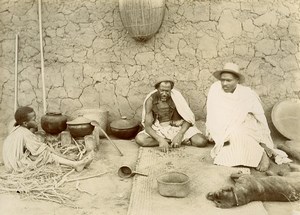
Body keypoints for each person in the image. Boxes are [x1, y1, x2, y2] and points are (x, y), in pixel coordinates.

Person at [205, 62, 291, 171]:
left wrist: (263, 135)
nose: (224, 83)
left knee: (237, 134)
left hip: (244, 124)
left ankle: (262, 154)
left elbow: (259, 117)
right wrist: (212, 130)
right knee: (226, 146)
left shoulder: (246, 94)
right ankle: (253, 152)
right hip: (222, 126)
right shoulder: (215, 90)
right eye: (222, 80)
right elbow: (212, 113)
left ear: (237, 80)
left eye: (229, 80)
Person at [2, 106, 94, 173]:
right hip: (15, 165)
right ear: (25, 123)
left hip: (9, 163)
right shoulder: (26, 134)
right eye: (34, 119)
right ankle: (75, 164)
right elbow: (43, 149)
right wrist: (65, 156)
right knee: (45, 155)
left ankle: (75, 163)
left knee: (37, 154)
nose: (36, 121)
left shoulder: (17, 129)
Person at [135, 77, 207, 152]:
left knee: (201, 141)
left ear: (171, 89)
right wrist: (160, 140)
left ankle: (176, 140)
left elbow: (188, 119)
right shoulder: (150, 100)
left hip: (178, 128)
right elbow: (148, 127)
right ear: (157, 89)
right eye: (162, 90)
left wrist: (180, 135)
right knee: (140, 139)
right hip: (159, 130)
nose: (164, 94)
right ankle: (168, 141)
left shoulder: (177, 97)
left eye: (167, 91)